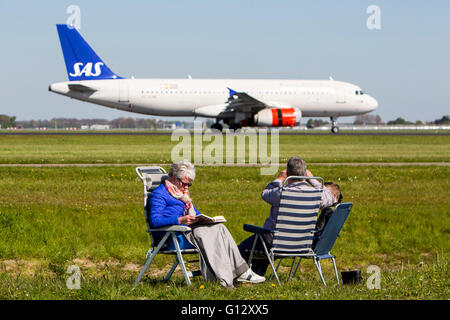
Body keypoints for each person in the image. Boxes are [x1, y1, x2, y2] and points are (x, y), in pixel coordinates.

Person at [148, 160, 265, 287]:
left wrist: (204, 219)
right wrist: (179, 220)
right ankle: (224, 281)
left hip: (187, 231)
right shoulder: (159, 194)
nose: (186, 188)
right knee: (205, 233)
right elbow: (155, 221)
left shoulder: (181, 194)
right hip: (172, 236)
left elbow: (195, 212)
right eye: (185, 183)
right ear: (173, 178)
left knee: (219, 227)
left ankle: (242, 271)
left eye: (189, 185)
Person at [238, 156, 335, 276]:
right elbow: (331, 197)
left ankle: (239, 277)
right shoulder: (316, 195)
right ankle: (256, 275)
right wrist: (312, 179)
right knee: (259, 248)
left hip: (275, 243)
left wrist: (279, 179)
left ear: (288, 173)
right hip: (302, 243)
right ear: (305, 174)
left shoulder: (281, 192)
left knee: (241, 250)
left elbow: (265, 193)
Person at [312, 182, 342, 248]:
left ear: (332, 196)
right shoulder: (338, 210)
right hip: (326, 245)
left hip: (314, 245)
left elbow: (317, 231)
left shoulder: (327, 211)